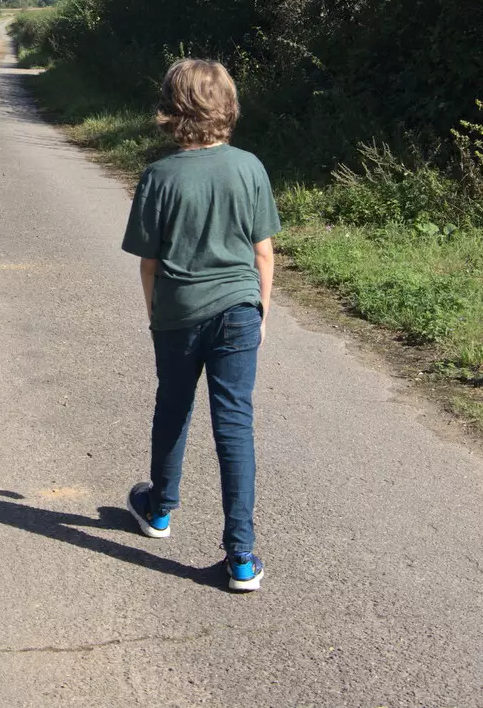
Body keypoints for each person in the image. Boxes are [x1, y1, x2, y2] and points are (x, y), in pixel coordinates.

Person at [120, 58, 278, 591]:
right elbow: (263, 254)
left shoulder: (159, 176)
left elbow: (148, 264)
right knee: (234, 424)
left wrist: (156, 317)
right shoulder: (250, 167)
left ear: (171, 109)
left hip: (177, 314)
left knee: (174, 406)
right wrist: (260, 314)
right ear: (228, 106)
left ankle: (159, 510)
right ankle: (241, 556)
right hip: (239, 309)